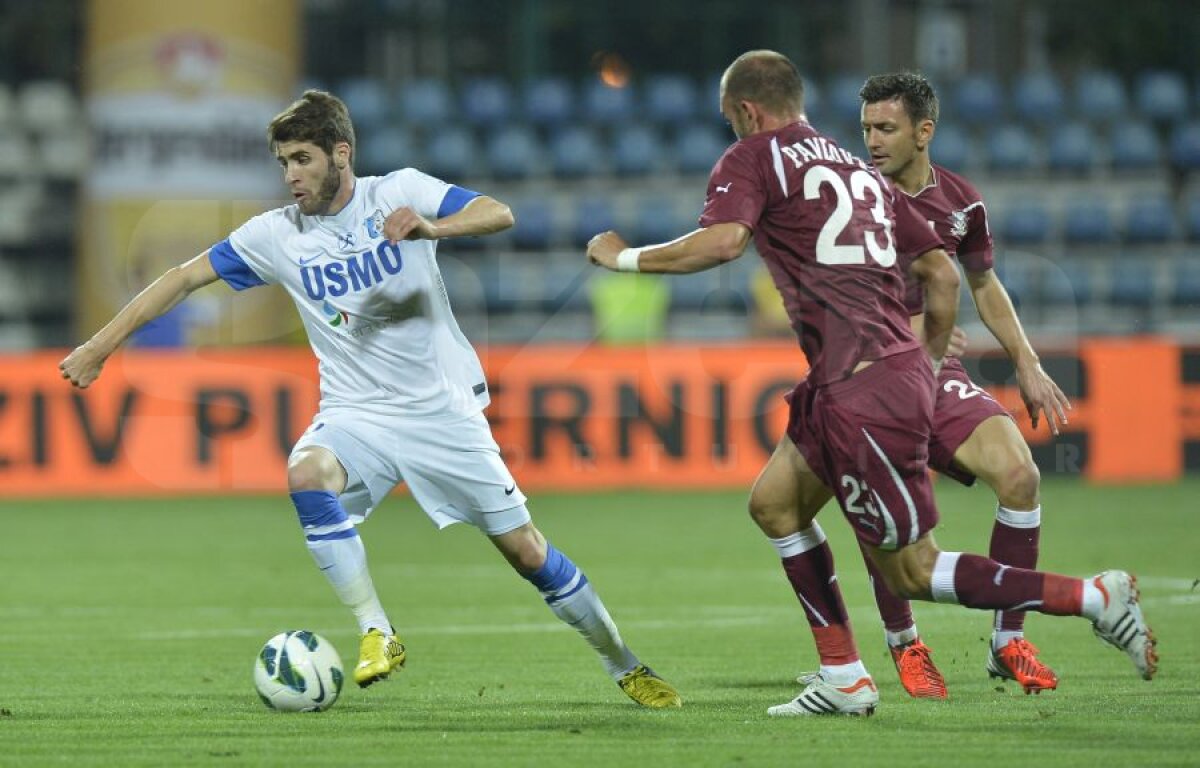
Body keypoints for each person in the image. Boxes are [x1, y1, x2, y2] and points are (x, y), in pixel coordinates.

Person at [59, 89, 681, 709]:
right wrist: (99, 347)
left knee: (527, 553)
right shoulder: (276, 235)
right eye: (282, 162)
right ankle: (376, 630)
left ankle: (623, 663)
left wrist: (431, 226)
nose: (291, 175)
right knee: (306, 473)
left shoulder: (398, 191)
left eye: (302, 158)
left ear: (341, 152)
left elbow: (499, 212)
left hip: (441, 412)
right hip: (358, 414)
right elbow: (181, 278)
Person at [586, 50, 1156, 717]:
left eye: (730, 120)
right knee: (774, 504)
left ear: (746, 110)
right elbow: (942, 276)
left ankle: (1092, 597)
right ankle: (845, 675)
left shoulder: (754, 156)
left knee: (913, 571)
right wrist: (924, 355)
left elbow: (721, 243)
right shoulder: (853, 167)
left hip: (864, 390)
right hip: (846, 384)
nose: (732, 131)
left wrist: (622, 258)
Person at [843, 71, 1074, 698]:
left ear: (924, 132)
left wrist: (1024, 360)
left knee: (1020, 475)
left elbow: (983, 284)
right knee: (889, 520)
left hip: (936, 371)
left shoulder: (961, 202)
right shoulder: (848, 200)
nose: (872, 141)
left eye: (885, 128)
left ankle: (1007, 642)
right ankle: (905, 644)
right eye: (866, 128)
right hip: (862, 377)